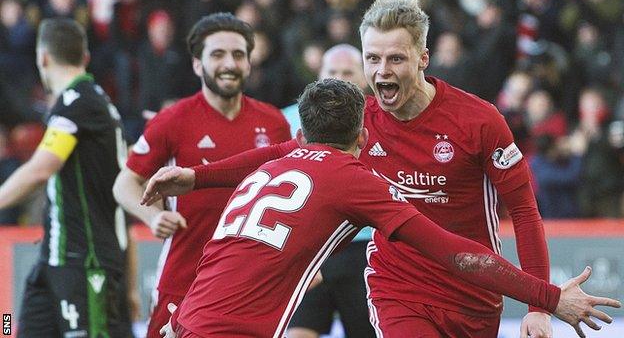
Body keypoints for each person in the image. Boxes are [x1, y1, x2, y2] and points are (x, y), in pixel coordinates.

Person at [147, 79, 620, 338]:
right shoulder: (350, 178)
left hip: (186, 319)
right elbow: (457, 252)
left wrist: (196, 175)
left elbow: (266, 160)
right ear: (362, 137)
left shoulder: (275, 165)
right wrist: (551, 298)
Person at [112, 12, 291, 338]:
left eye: (238, 55)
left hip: (249, 283)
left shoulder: (275, 122)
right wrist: (152, 217)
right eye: (217, 54)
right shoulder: (174, 120)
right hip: (184, 278)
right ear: (197, 64)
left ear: (249, 63)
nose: (229, 63)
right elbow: (124, 183)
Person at [0, 18, 129, 337]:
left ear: (43, 58)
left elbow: (40, 169)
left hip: (86, 262)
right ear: (84, 57)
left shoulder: (79, 102)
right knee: (16, 326)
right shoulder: (89, 102)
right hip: (55, 259)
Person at [283, 44, 375, 338]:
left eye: (348, 72)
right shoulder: (286, 119)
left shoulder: (382, 120)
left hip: (362, 247)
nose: (339, 79)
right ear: (318, 75)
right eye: (332, 72)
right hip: (309, 244)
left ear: (364, 78)